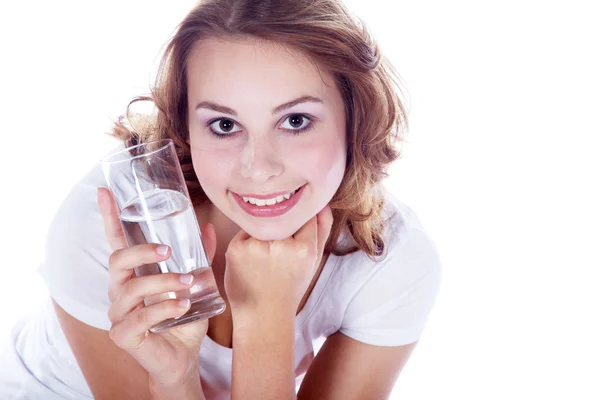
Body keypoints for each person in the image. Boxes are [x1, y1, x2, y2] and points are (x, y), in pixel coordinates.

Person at [0, 0, 442, 398]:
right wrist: (174, 380)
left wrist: (264, 314)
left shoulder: (390, 257)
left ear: (355, 119)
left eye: (296, 120)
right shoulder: (114, 224)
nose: (259, 168)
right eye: (225, 126)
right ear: (184, 129)